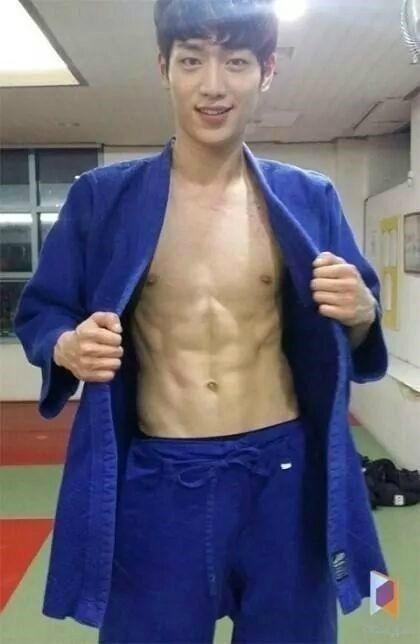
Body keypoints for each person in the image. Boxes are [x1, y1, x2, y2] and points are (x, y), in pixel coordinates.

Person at [13, 1, 390, 642]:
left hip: (283, 476)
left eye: (236, 62)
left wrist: (363, 312)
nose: (213, 85)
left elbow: (361, 314)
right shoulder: (103, 199)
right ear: (164, 67)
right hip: (161, 478)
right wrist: (67, 345)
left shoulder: (308, 198)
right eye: (192, 61)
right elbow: (43, 312)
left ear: (267, 71)